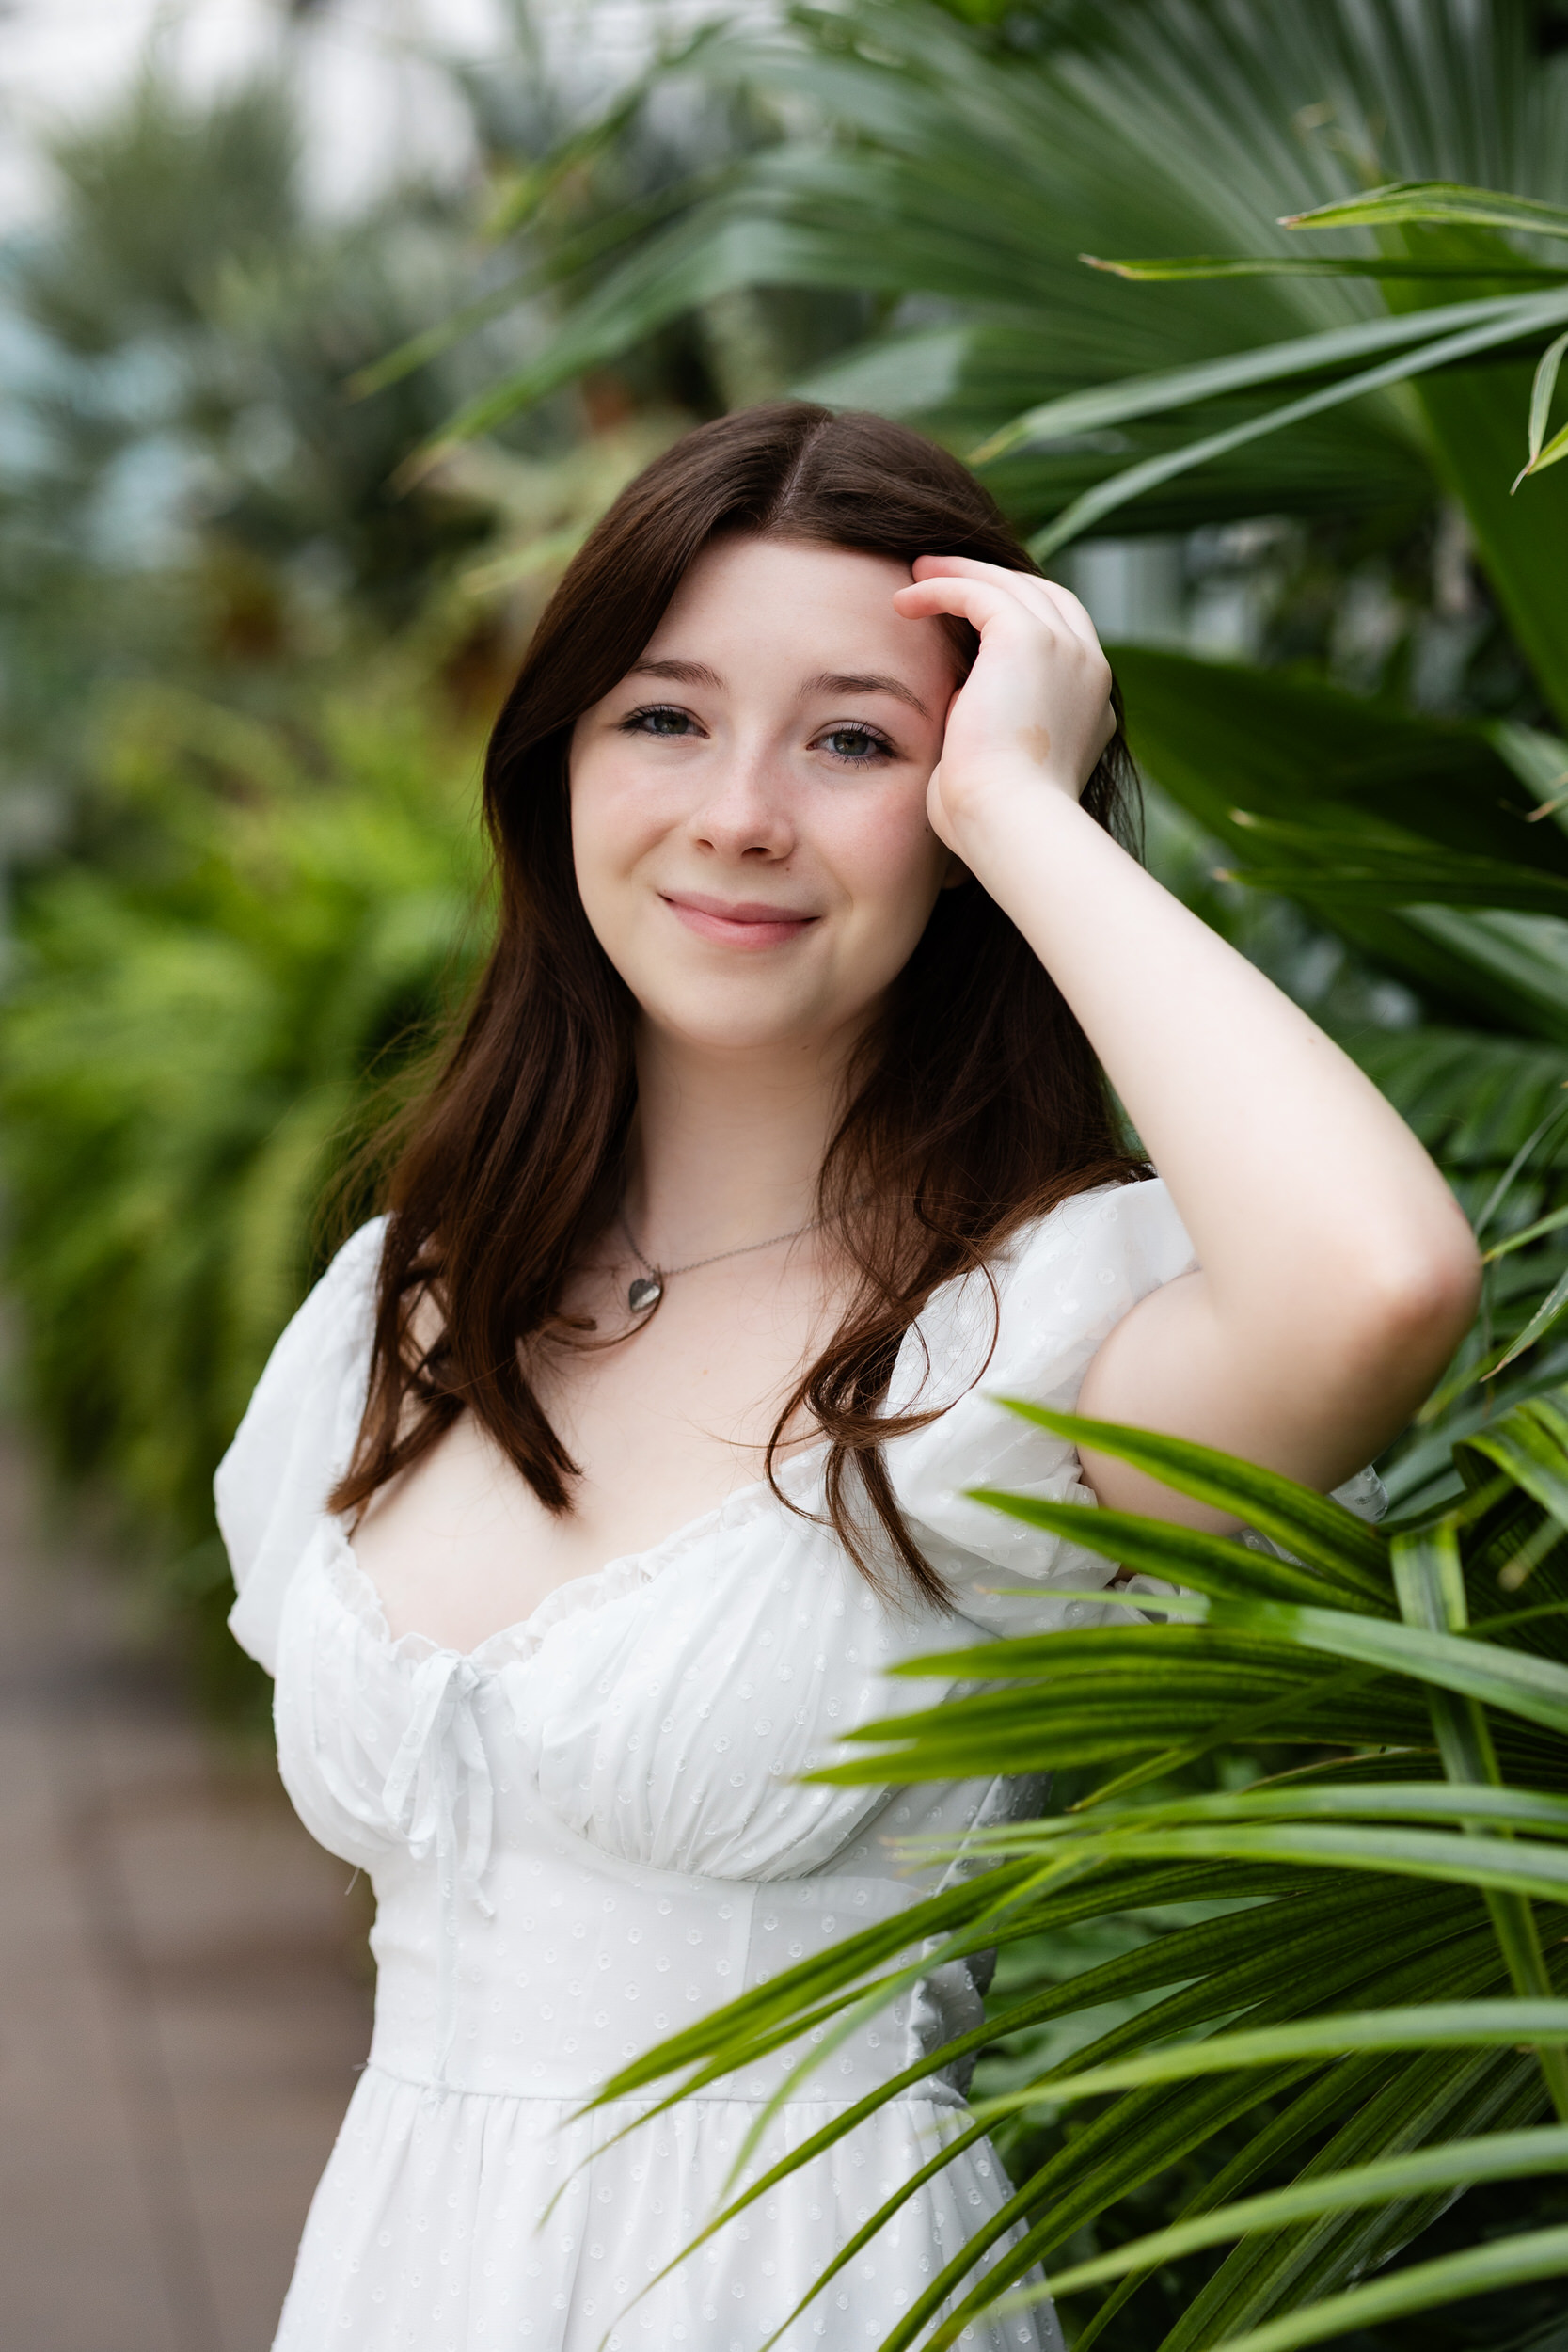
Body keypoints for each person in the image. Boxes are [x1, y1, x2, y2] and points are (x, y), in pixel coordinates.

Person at [217, 404, 1480, 2352]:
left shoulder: (1027, 1336)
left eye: (855, 740)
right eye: (664, 714)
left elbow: (1383, 1279)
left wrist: (1030, 814)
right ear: (556, 758)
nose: (739, 808)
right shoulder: (407, 1308)